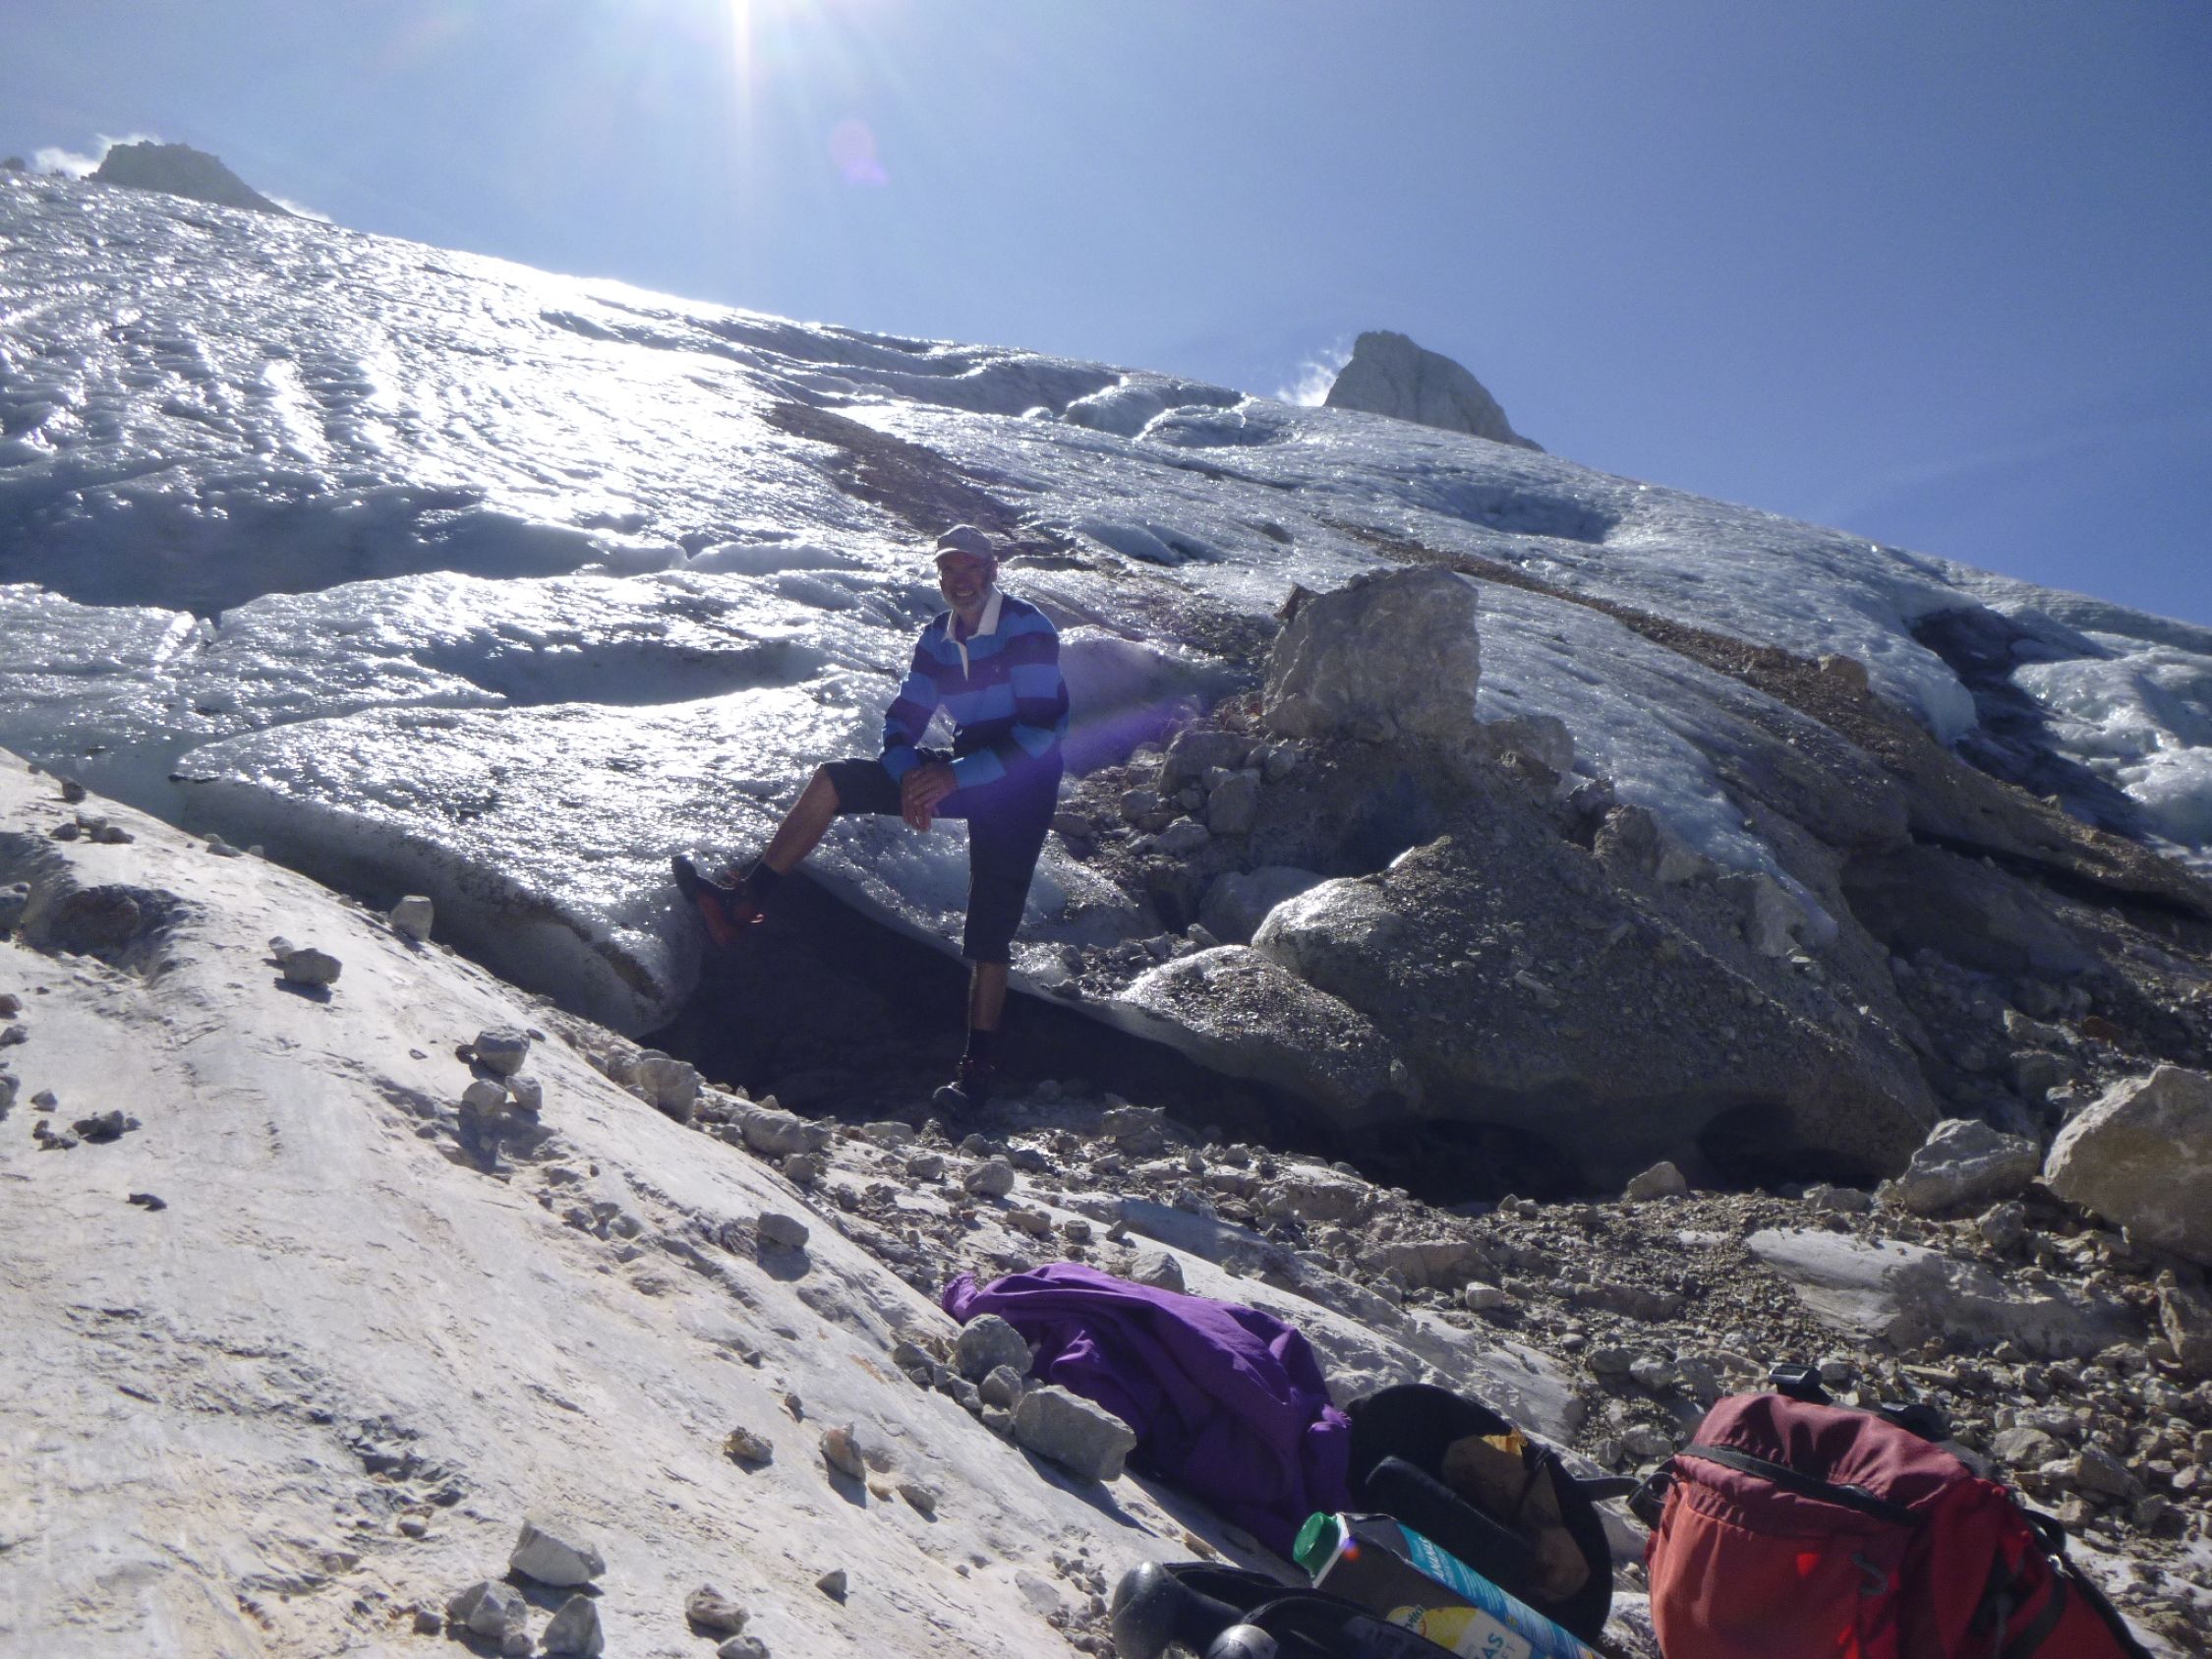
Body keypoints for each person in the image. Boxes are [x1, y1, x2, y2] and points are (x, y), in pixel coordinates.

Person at [674, 524, 1069, 1112]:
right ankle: (743, 903)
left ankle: (976, 1072)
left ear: (992, 570)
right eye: (949, 569)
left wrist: (952, 777)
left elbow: (1043, 730)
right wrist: (910, 776)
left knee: (990, 925)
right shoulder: (936, 638)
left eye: (970, 567)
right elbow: (902, 718)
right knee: (834, 780)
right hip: (961, 768)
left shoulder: (1026, 628)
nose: (959, 579)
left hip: (1022, 785)